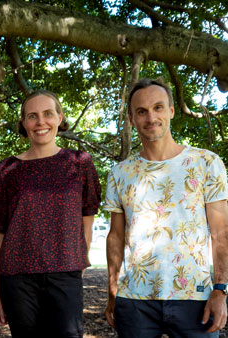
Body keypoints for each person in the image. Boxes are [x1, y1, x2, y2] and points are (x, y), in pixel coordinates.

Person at [104, 78, 228, 337]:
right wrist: (112, 292)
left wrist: (220, 290)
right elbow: (115, 237)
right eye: (141, 111)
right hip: (135, 301)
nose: (151, 117)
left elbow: (220, 232)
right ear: (131, 119)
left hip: (196, 298)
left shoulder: (206, 163)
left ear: (171, 111)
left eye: (158, 107)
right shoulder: (119, 173)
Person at [0, 90, 102, 337]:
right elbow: (1, 233)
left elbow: (87, 221)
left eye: (48, 114)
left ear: (60, 118)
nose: (40, 122)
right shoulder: (6, 170)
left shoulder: (80, 163)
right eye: (32, 116)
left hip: (65, 275)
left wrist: (76, 268)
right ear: (24, 123)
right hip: (17, 280)